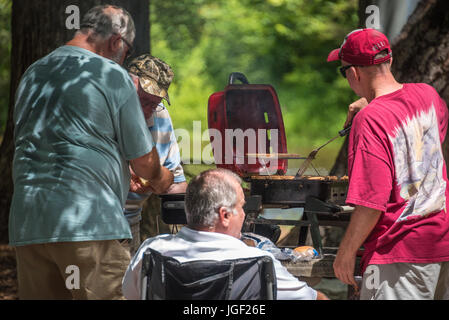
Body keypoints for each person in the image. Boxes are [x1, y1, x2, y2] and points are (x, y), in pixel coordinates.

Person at [9, 5, 173, 300]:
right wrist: (163, 178)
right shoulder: (110, 74)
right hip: (89, 226)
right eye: (127, 50)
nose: (123, 58)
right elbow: (144, 162)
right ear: (116, 41)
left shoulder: (33, 73)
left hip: (29, 224)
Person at [328, 28, 449, 299]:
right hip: (441, 244)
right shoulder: (428, 96)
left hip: (399, 256)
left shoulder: (370, 119)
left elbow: (372, 202)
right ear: (389, 60)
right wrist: (374, 103)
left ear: (354, 73)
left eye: (344, 70)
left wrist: (345, 253)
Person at [122, 168, 329, 300]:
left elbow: (131, 294)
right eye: (241, 207)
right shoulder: (257, 261)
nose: (244, 214)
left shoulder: (152, 250)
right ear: (225, 215)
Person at [124, 54, 188, 256]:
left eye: (154, 103)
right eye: (143, 101)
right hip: (96, 222)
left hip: (130, 220)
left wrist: (206, 189)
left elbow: (174, 183)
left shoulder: (160, 115)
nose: (147, 111)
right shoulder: (108, 109)